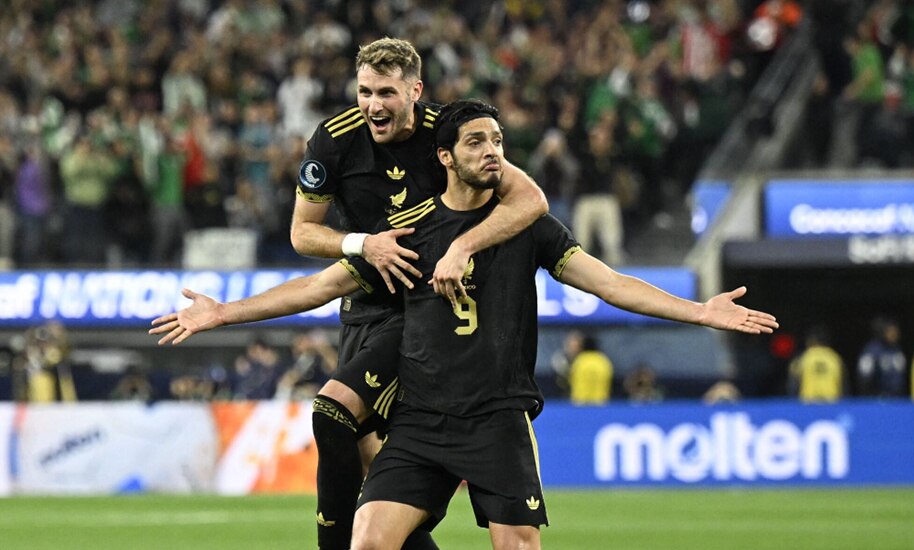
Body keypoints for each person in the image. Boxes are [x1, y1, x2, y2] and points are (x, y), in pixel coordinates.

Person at [150, 99, 778, 549]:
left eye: (498, 141)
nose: (492, 152)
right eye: (476, 142)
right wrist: (222, 312)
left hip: (496, 417)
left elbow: (611, 283)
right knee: (369, 540)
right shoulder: (408, 234)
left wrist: (700, 311)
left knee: (518, 545)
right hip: (422, 420)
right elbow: (317, 287)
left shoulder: (529, 227)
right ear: (445, 157)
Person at [289, 38, 547, 550]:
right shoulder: (335, 140)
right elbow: (302, 234)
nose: (373, 105)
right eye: (364, 92)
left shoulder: (447, 133)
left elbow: (531, 200)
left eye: (386, 92)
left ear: (415, 91)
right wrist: (364, 243)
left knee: (333, 411)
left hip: (420, 309)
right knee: (376, 489)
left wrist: (462, 247)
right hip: (364, 302)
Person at [788, 326, 845, 403]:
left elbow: (793, 384)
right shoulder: (835, 358)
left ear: (810, 341)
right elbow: (843, 384)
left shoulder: (802, 358)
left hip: (808, 402)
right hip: (831, 402)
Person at [857, 317, 907, 398]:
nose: (894, 334)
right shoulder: (872, 351)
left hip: (896, 398)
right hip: (877, 398)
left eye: (895, 331)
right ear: (883, 332)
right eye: (891, 331)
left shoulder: (897, 350)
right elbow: (864, 377)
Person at [568, 334, 614, 405]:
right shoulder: (603, 361)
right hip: (600, 402)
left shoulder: (579, 361)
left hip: (580, 401)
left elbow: (571, 379)